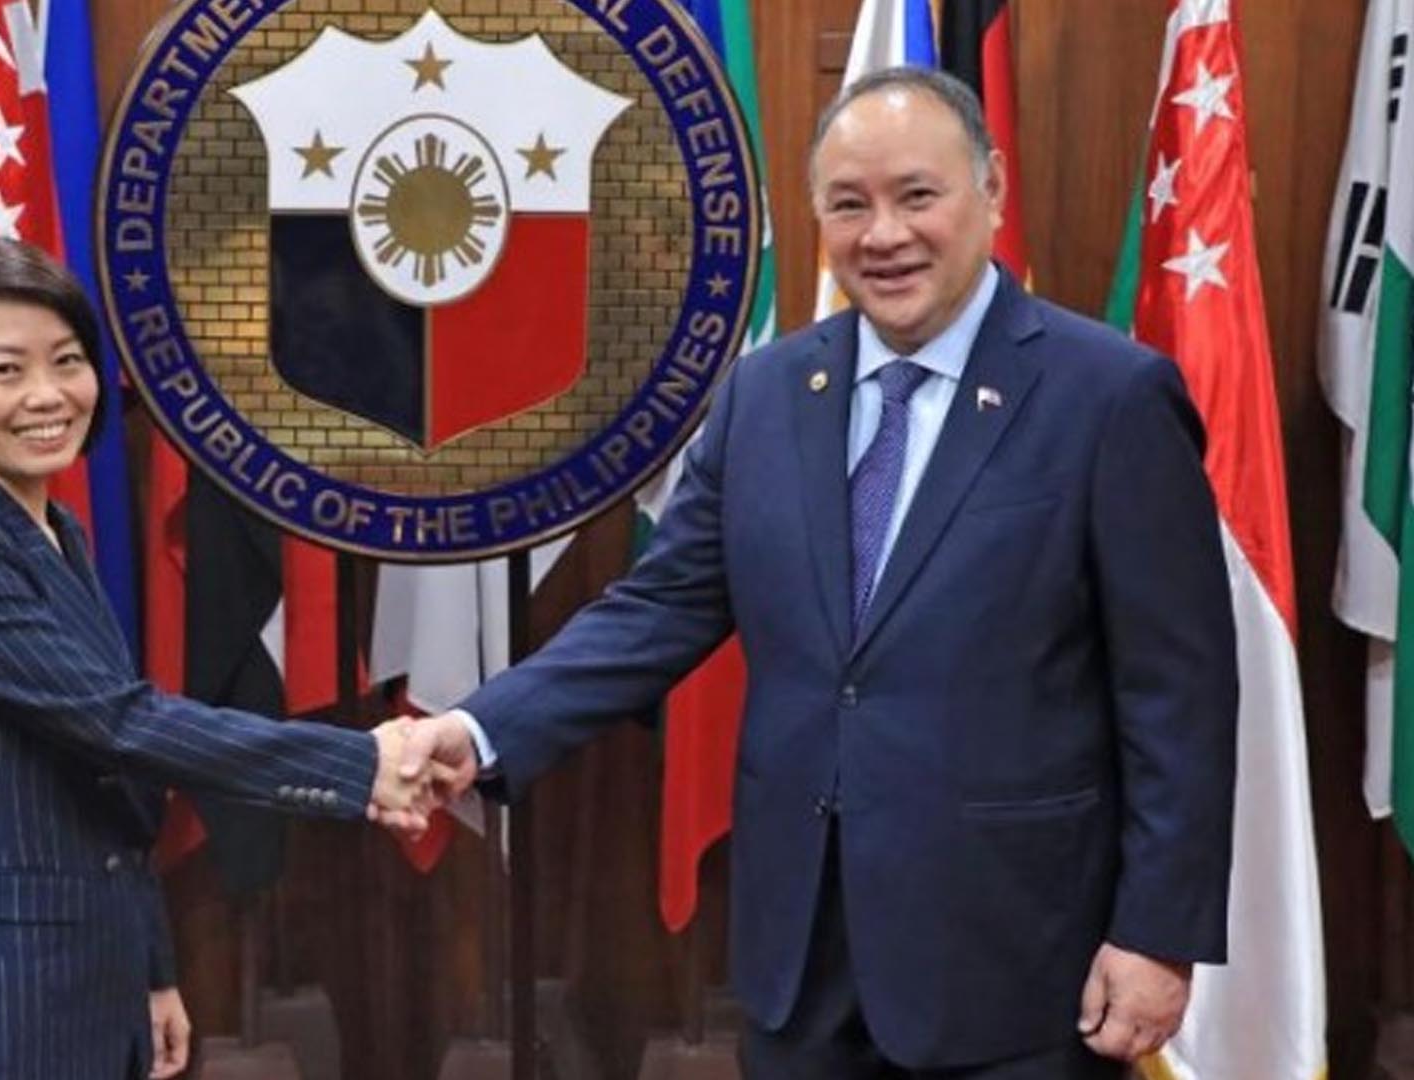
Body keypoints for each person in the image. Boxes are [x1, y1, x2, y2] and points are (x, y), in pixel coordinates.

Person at [396, 67, 1237, 1079]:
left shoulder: (1110, 397)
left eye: (917, 195)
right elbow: (661, 607)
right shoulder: (766, 392)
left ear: (991, 188)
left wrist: (1156, 934)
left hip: (1016, 958)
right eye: (849, 204)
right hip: (801, 960)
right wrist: (479, 729)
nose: (883, 234)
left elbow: (1178, 692)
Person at [0, 238, 430, 1080]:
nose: (48, 395)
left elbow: (102, 782)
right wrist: (359, 765)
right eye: (6, 371)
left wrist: (151, 969)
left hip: (85, 997)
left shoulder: (57, 533)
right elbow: (119, 724)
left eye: (68, 361)